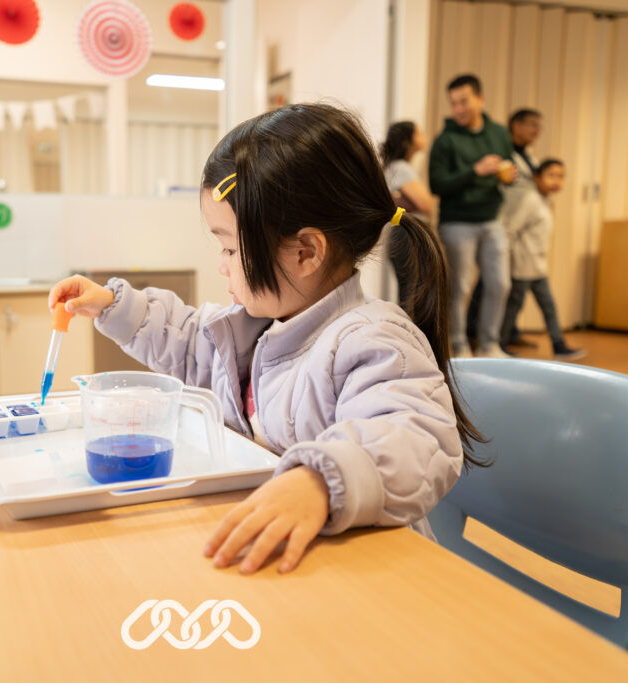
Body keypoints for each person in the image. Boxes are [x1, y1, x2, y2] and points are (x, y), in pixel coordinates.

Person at [48, 104, 483, 575]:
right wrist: (113, 305)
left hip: (370, 571)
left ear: (305, 252)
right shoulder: (257, 327)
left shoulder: (374, 340)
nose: (222, 264)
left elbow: (417, 438)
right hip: (288, 558)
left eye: (230, 248)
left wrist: (321, 481)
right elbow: (190, 341)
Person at [429, 74, 516, 358]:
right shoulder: (446, 140)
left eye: (463, 101)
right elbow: (436, 184)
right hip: (457, 222)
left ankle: (490, 345)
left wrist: (508, 175)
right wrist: (475, 171)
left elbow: (507, 168)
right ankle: (460, 347)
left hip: (492, 218)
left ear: (480, 99)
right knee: (460, 288)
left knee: (500, 284)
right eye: (453, 103)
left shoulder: (499, 133)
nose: (458, 109)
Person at [468, 108, 544, 349]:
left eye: (539, 125)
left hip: (523, 227)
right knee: (492, 280)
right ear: (515, 125)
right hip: (502, 223)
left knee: (509, 283)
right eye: (532, 124)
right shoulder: (502, 153)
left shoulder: (529, 157)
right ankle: (475, 331)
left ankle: (509, 331)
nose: (537, 130)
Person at [499, 159, 585, 360]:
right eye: (551, 175)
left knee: (548, 305)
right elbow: (511, 229)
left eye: (561, 176)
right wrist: (506, 259)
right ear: (537, 178)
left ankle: (558, 345)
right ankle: (500, 344)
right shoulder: (531, 200)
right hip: (523, 264)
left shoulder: (545, 200)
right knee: (514, 306)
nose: (556, 181)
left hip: (537, 265)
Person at [381, 121, 434, 223]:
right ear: (406, 142)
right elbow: (426, 205)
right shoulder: (401, 168)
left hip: (399, 226)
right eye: (419, 134)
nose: (424, 137)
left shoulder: (392, 166)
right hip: (407, 227)